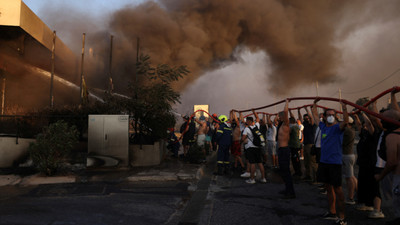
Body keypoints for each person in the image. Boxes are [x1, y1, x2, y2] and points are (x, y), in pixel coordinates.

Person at [312, 99, 349, 225]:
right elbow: (315, 117)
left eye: (333, 115)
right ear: (325, 117)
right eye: (329, 115)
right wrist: (314, 105)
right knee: (328, 188)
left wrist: (344, 108)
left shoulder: (338, 128)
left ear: (336, 116)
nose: (331, 117)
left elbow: (345, 121)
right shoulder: (323, 127)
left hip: (334, 163)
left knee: (338, 189)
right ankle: (332, 212)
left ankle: (342, 217)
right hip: (324, 162)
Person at [375, 90, 400, 225]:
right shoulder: (394, 132)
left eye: (383, 119)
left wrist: (381, 176)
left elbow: (391, 162)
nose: (381, 120)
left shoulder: (392, 136)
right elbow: (396, 114)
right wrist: (393, 96)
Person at [353, 110, 381, 215]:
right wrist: (356, 116)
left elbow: (369, 124)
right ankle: (366, 204)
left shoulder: (374, 135)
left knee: (374, 187)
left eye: (366, 126)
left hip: (371, 164)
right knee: (363, 185)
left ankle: (377, 210)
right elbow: (359, 125)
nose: (364, 127)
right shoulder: (364, 135)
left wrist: (363, 113)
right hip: (363, 164)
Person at [276, 99, 296, 198]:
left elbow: (286, 112)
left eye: (280, 116)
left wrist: (286, 103)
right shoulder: (280, 125)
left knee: (286, 171)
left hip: (284, 150)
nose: (279, 118)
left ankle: (291, 192)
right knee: (283, 171)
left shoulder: (286, 124)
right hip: (281, 150)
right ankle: (287, 189)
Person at [241, 111, 267, 184]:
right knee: (260, 163)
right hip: (258, 147)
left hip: (251, 148)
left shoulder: (246, 129)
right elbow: (258, 118)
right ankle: (263, 178)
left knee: (252, 163)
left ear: (248, 121)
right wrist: (254, 111)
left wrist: (242, 141)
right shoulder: (257, 126)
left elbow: (243, 139)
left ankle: (252, 179)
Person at [342, 117, 357, 205]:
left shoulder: (348, 131)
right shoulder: (350, 131)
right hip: (348, 155)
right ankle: (358, 193)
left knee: (349, 177)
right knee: (351, 176)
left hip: (347, 155)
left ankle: (351, 198)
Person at [299, 108, 317, 182]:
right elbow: (300, 118)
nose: (307, 119)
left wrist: (307, 109)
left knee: (312, 162)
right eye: (305, 117)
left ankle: (315, 179)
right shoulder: (304, 124)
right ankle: (308, 175)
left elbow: (311, 118)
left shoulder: (312, 125)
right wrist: (298, 110)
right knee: (306, 162)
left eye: (308, 118)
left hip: (311, 145)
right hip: (305, 144)